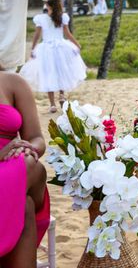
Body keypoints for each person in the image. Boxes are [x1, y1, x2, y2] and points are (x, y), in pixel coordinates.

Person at [0, 69, 50, 266]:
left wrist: (29, 148)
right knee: (25, 206)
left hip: (22, 168)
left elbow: (37, 138)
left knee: (26, 161)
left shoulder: (13, 82)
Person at [19, 0, 86, 113]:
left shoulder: (41, 18)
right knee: (61, 72)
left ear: (47, 5)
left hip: (46, 49)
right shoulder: (62, 17)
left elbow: (37, 35)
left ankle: (52, 104)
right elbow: (67, 33)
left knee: (48, 73)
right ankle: (61, 95)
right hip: (61, 47)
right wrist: (76, 44)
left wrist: (33, 48)